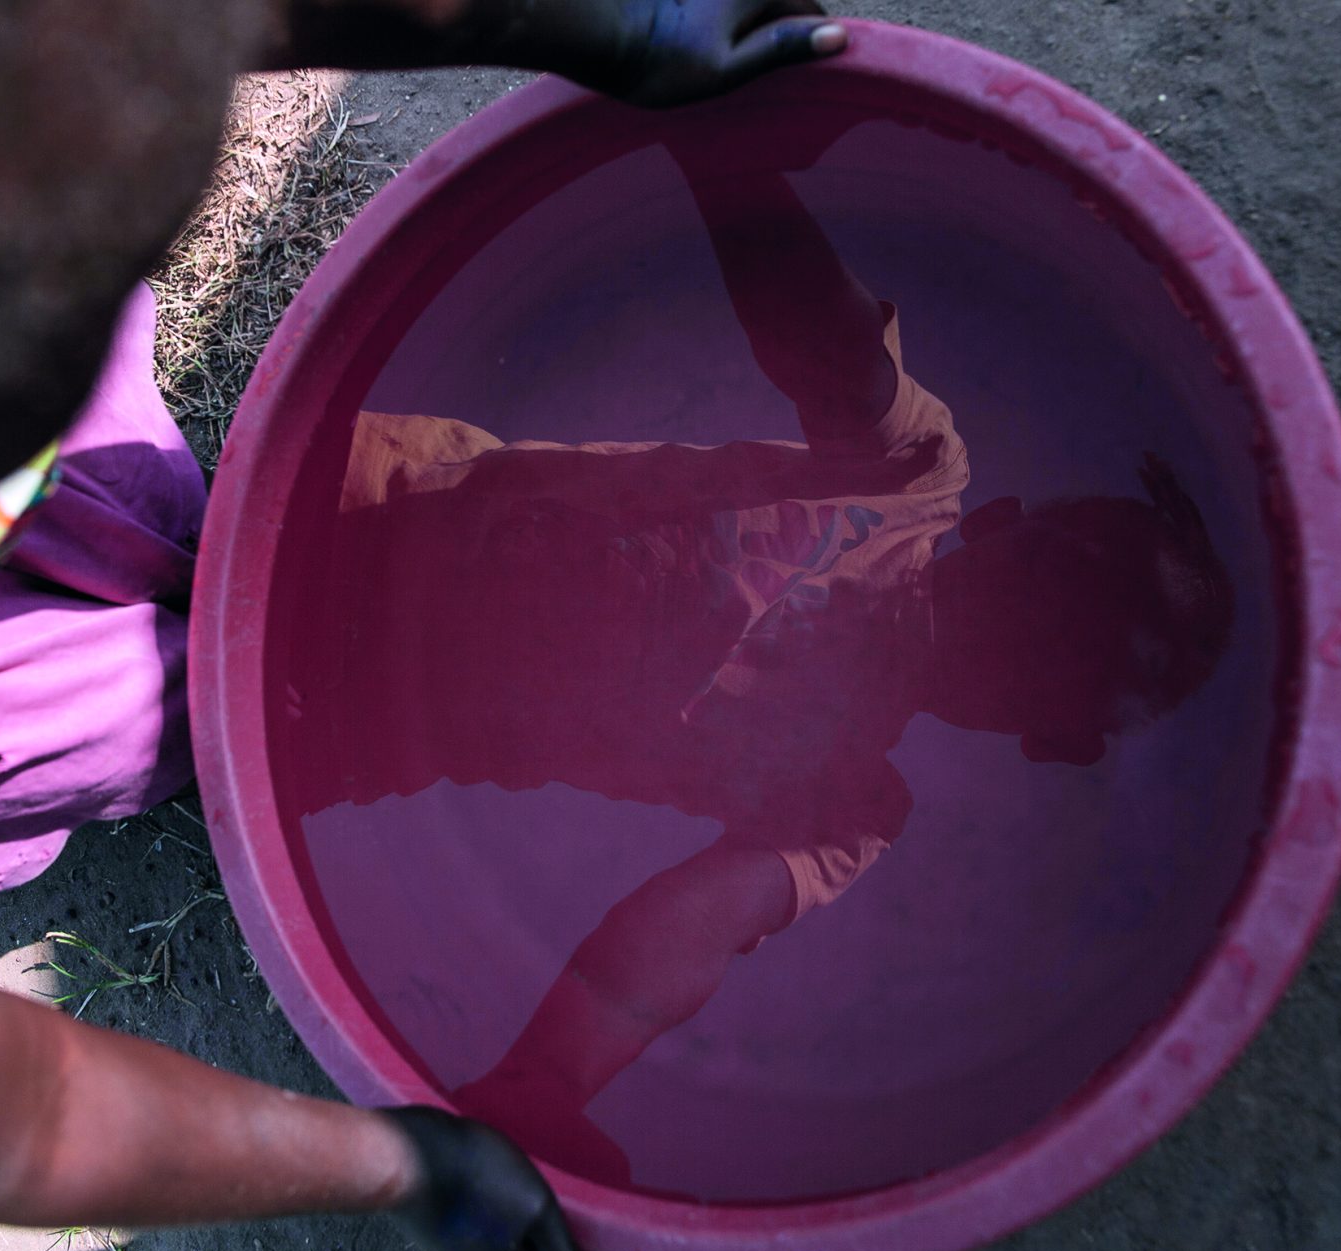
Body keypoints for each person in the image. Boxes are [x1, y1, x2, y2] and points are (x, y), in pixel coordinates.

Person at [0, 0, 853, 1251]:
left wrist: (579, 23)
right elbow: (20, 1112)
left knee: (145, 511)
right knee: (144, 729)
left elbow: (63, 40)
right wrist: (412, 1161)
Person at [284, 145, 1236, 1183]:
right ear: (1002, 523)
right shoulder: (915, 472)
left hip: (351, 719)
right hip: (376, 496)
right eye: (1063, 575)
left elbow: (677, 939)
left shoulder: (851, 807)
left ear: (1051, 736)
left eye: (1075, 656)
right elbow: (823, 340)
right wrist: (723, 153)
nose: (1042, 625)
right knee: (141, 521)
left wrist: (546, 1076)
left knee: (146, 718)